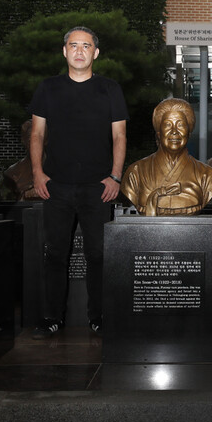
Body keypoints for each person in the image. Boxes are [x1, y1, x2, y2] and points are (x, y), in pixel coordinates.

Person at [28, 27, 129, 339]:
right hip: (56, 185)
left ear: (95, 53)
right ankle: (51, 318)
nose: (80, 51)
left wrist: (115, 176)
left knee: (97, 255)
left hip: (97, 188)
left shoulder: (110, 89)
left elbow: (119, 136)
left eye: (86, 46)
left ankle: (98, 316)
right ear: (65, 51)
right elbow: (37, 134)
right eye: (74, 45)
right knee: (55, 254)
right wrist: (37, 173)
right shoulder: (47, 88)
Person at [121, 98, 212, 215]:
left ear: (189, 132)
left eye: (181, 125)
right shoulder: (136, 172)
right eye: (168, 125)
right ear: (159, 132)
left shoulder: (207, 174)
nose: (174, 131)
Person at [0, 119, 42, 201]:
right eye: (30, 139)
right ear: (23, 141)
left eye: (38, 138)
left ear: (46, 140)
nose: (34, 143)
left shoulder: (58, 170)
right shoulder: (12, 173)